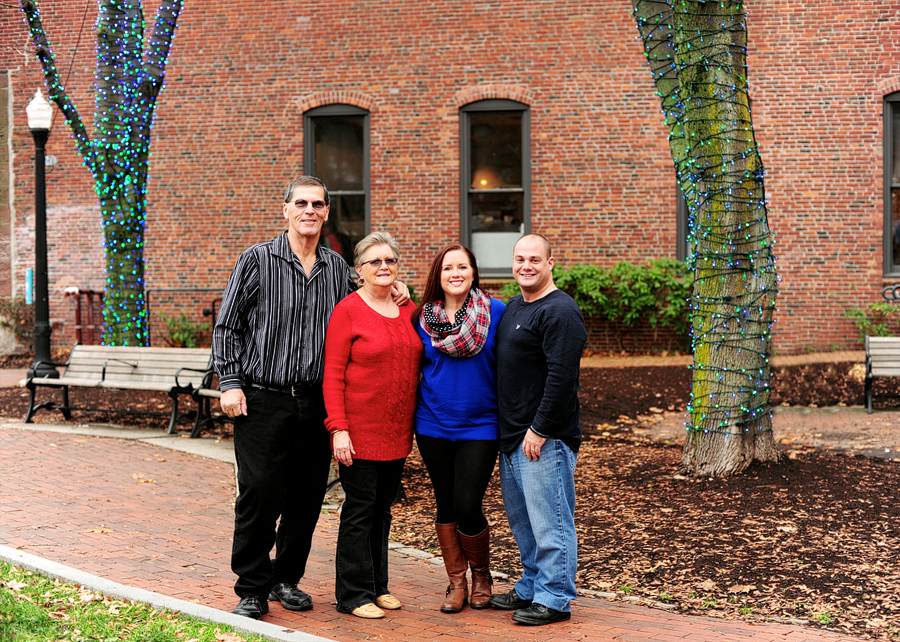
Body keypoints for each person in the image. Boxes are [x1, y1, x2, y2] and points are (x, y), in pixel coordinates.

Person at [212, 176, 408, 620]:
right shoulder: (257, 260)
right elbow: (228, 326)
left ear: (326, 212)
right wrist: (230, 382)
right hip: (263, 398)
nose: (310, 211)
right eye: (301, 203)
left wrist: (397, 289)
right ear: (285, 210)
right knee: (260, 493)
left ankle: (286, 579)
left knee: (306, 497)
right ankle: (253, 587)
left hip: (316, 402)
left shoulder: (338, 269)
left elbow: (367, 305)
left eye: (318, 204)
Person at [322, 231, 423, 619]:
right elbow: (332, 374)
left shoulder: (406, 308)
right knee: (360, 510)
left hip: (397, 430)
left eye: (390, 261)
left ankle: (379, 586)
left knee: (383, 509)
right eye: (374, 262)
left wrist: (407, 295)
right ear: (359, 270)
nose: (383, 267)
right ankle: (352, 594)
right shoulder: (347, 310)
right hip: (358, 430)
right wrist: (339, 428)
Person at [488, 233, 587, 626]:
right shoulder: (515, 306)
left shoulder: (560, 310)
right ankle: (532, 585)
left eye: (534, 259)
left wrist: (540, 429)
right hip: (513, 437)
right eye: (519, 259)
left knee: (551, 522)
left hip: (544, 438)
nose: (525, 266)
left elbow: (563, 378)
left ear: (550, 263)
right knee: (524, 522)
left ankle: (556, 597)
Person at [412, 244, 506, 613]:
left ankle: (482, 575)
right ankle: (456, 582)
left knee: (468, 502)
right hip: (432, 422)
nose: (455, 273)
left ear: (473, 272)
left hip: (481, 423)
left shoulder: (495, 311)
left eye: (462, 266)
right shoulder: (419, 317)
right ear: (438, 274)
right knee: (445, 502)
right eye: (448, 267)